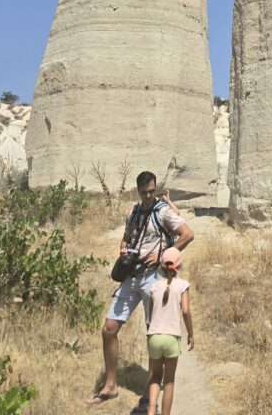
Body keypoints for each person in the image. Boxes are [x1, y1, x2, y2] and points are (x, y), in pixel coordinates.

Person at [88, 171, 194, 407]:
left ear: (155, 189)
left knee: (153, 332)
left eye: (151, 191)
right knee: (109, 329)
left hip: (153, 278)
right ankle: (111, 385)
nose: (148, 196)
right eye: (144, 192)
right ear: (137, 191)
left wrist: (164, 256)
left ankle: (150, 393)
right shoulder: (134, 212)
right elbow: (126, 238)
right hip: (132, 276)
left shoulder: (163, 212)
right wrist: (124, 252)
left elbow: (187, 235)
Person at [144, 246, 194, 415]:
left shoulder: (154, 286)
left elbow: (151, 314)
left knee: (155, 377)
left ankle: (151, 411)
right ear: (178, 265)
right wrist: (191, 334)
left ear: (162, 266)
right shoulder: (183, 285)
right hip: (172, 337)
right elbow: (186, 311)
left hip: (154, 337)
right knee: (169, 381)